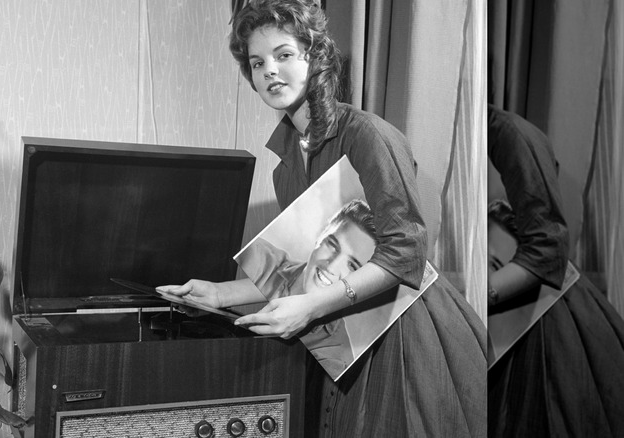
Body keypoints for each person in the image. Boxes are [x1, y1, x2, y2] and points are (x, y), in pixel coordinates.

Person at [159, 1, 485, 435]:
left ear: (315, 56)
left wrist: (311, 306)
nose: (270, 71)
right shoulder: (286, 163)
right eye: (258, 63)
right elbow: (300, 272)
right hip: (344, 336)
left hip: (404, 333)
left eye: (284, 55)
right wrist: (220, 294)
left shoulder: (366, 134)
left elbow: (405, 252)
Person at [487, 104, 624, 437]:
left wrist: (476, 294)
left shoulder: (509, 134)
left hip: (538, 313)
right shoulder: (459, 137)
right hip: (497, 316)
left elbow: (547, 248)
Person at [237, 199, 378, 379]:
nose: (332, 266)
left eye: (352, 265)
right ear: (320, 236)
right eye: (332, 245)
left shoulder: (337, 358)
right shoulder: (256, 256)